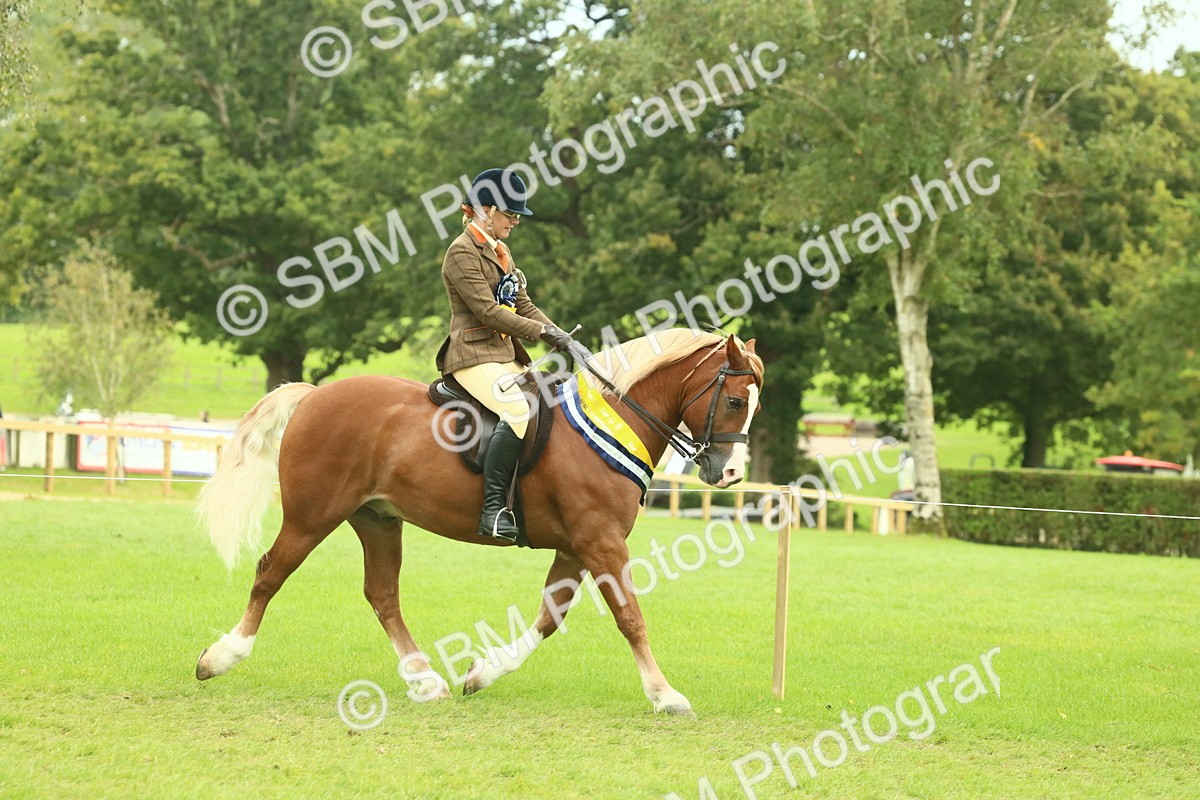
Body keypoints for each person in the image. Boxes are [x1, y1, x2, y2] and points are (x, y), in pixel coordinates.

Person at [434, 168, 577, 542]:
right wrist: (542, 333)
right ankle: (493, 510)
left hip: (503, 354)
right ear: (486, 210)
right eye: (510, 214)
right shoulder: (461, 252)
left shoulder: (501, 251)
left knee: (551, 401)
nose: (516, 221)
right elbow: (488, 312)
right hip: (471, 355)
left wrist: (561, 335)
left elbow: (522, 304)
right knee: (516, 409)